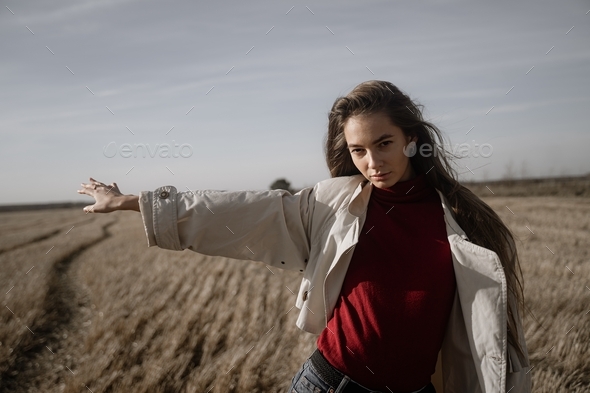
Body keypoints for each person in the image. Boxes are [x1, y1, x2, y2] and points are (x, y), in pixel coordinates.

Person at [77, 80, 531, 393]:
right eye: (359, 150)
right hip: (332, 383)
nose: (372, 162)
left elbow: (496, 335)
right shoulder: (332, 204)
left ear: (410, 139)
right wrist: (133, 201)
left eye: (384, 143)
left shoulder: (461, 218)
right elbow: (240, 209)